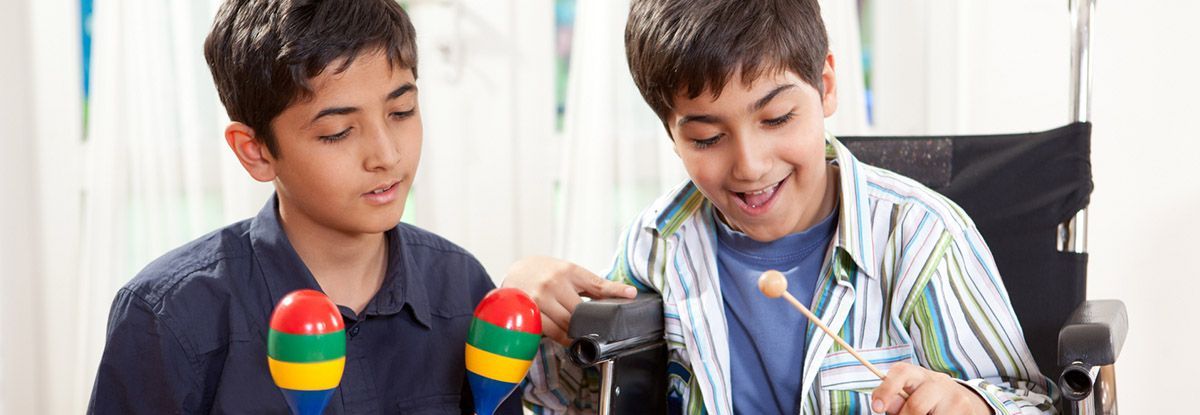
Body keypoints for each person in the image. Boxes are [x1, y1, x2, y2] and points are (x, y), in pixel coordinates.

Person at [508, 0, 1056, 413]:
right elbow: (575, 399)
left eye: (776, 120)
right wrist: (530, 304)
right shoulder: (657, 243)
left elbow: (1030, 399)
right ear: (671, 136)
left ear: (826, 85)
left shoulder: (919, 237)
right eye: (706, 138)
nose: (749, 165)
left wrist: (971, 403)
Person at [88, 1, 521, 413]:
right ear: (255, 151)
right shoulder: (170, 316)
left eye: (402, 111)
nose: (386, 155)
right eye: (337, 132)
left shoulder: (463, 287)